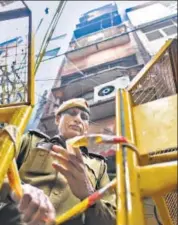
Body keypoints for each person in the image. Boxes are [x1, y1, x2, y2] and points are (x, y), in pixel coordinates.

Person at [0, 98, 116, 225]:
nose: (78, 119)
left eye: (84, 117)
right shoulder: (31, 140)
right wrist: (16, 189)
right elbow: (3, 164)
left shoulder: (99, 165)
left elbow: (111, 220)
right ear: (57, 119)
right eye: (72, 113)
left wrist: (88, 194)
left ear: (86, 127)